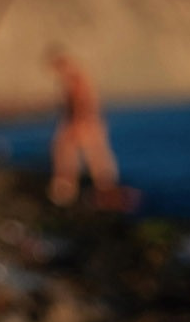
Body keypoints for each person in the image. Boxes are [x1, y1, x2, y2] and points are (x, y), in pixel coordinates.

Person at [46, 50, 129, 211]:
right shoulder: (76, 78)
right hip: (85, 122)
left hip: (84, 123)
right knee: (90, 157)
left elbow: (84, 102)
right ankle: (98, 192)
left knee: (74, 155)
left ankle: (70, 191)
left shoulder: (76, 79)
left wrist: (78, 122)